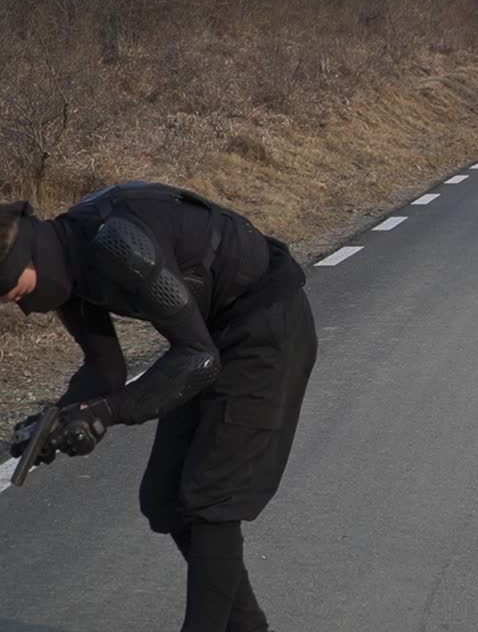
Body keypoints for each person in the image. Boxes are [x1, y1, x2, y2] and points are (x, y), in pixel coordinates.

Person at [2, 181, 317, 632]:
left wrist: (104, 414)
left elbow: (197, 359)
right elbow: (105, 369)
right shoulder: (69, 260)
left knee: (212, 498)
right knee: (164, 497)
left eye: (11, 290)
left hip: (265, 324)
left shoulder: (118, 245)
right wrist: (56, 420)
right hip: (206, 335)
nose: (15, 304)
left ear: (29, 258)